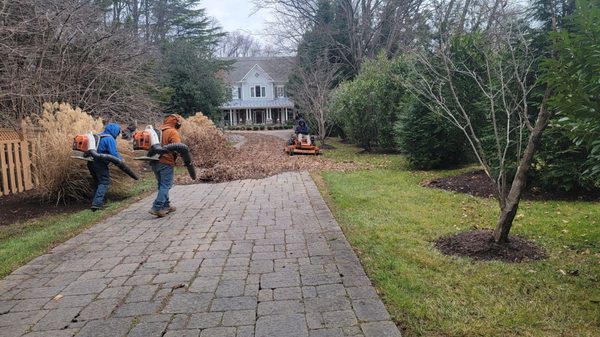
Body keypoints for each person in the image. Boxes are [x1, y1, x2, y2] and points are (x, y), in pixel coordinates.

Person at [149, 114, 182, 218]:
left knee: (161, 184)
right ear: (176, 123)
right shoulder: (172, 131)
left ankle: (166, 206)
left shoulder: (157, 131)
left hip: (154, 161)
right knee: (166, 185)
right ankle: (157, 207)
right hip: (166, 161)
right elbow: (178, 147)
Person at [87, 123, 122, 211]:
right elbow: (113, 154)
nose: (117, 135)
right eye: (118, 132)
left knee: (97, 182)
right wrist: (121, 160)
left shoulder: (98, 136)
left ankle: (95, 202)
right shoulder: (109, 139)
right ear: (115, 131)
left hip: (90, 162)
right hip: (99, 163)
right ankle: (97, 203)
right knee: (104, 181)